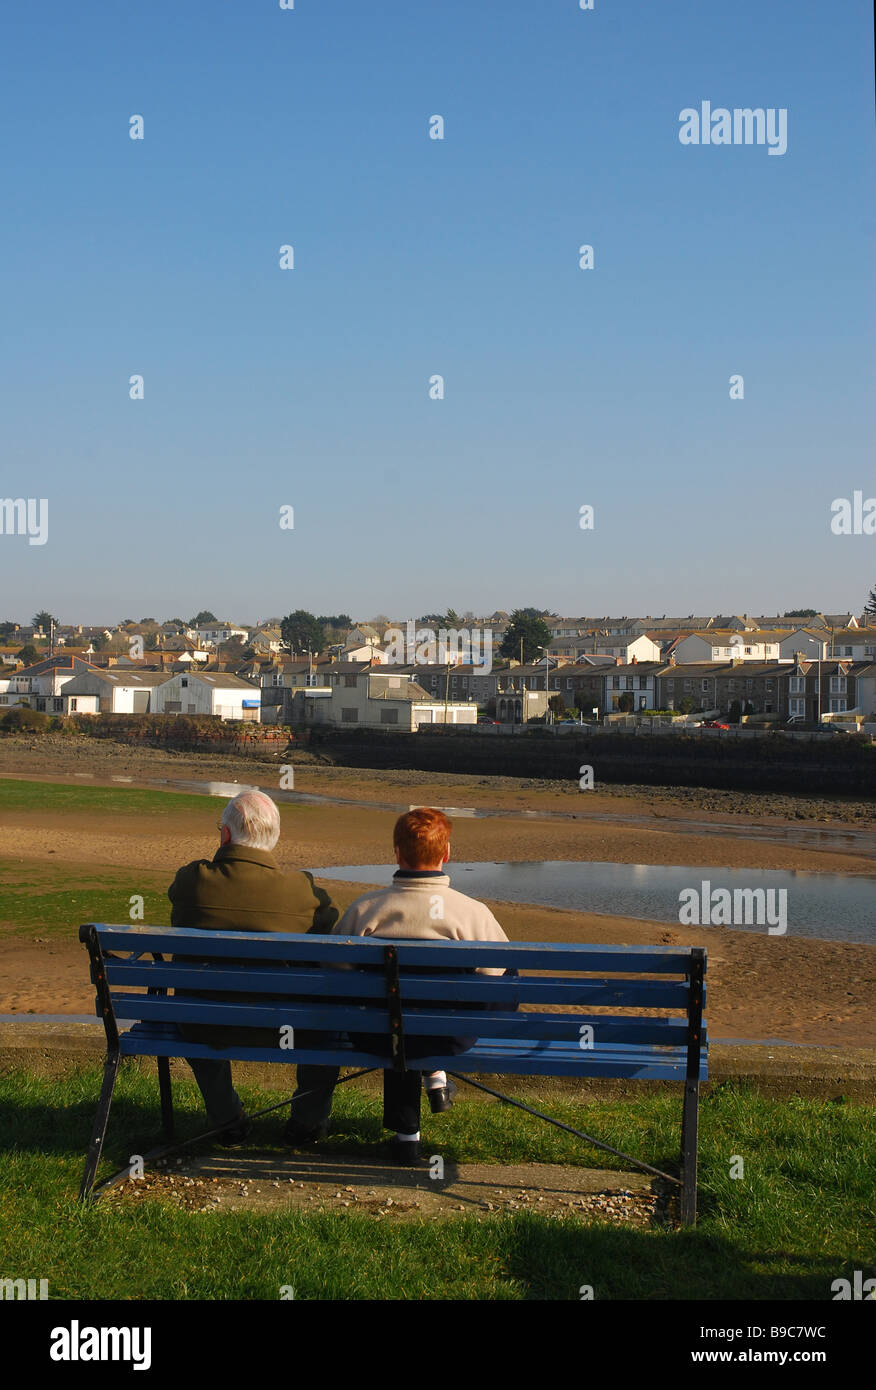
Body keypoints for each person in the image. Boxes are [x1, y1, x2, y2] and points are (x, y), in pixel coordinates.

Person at [332, 807, 511, 1164]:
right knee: (474, 990)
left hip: (378, 1034)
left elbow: (333, 971)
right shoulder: (471, 913)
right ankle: (434, 1078)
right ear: (447, 855)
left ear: (397, 853)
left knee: (396, 1011)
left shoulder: (365, 909)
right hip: (448, 1036)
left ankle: (407, 1136)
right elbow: (500, 981)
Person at [167, 789, 339, 1143]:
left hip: (205, 1024)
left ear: (226, 835)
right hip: (287, 1027)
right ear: (274, 839)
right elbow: (330, 939)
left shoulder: (194, 881)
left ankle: (226, 1119)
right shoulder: (301, 891)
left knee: (195, 1001)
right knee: (331, 1016)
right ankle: (307, 1121)